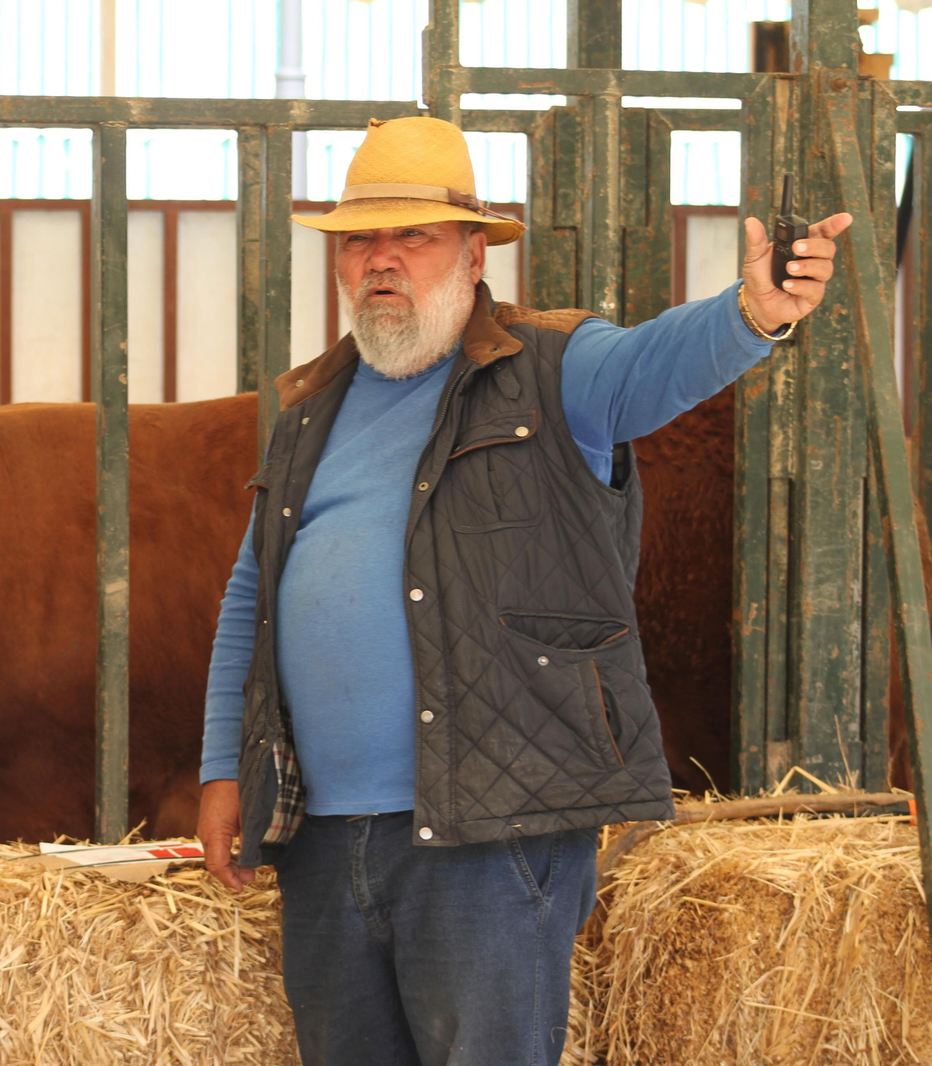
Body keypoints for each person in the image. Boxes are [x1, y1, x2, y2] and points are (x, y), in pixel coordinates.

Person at [195, 116, 849, 1066]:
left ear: (473, 253)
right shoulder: (308, 412)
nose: (381, 260)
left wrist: (753, 311)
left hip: (491, 835)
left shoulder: (553, 369)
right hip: (324, 837)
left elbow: (656, 363)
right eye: (359, 240)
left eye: (413, 235)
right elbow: (251, 599)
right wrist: (225, 769)